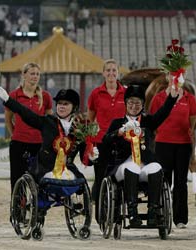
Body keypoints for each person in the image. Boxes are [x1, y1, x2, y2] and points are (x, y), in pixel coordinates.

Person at [102, 84, 181, 226]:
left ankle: (153, 212)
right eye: (131, 102)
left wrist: (173, 96)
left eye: (138, 103)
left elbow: (163, 112)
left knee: (156, 166)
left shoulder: (148, 122)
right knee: (132, 167)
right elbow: (105, 141)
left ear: (143, 105)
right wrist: (119, 132)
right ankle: (133, 213)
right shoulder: (117, 123)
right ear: (125, 104)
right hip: (123, 166)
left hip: (144, 164)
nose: (134, 106)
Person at [0, 87, 98, 181]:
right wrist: (9, 100)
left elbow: (85, 160)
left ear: (74, 107)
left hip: (68, 169)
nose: (61, 106)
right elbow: (26, 113)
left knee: (79, 181)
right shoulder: (47, 122)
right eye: (59, 103)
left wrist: (91, 156)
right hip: (45, 169)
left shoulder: (80, 129)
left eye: (66, 104)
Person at [149, 79, 196, 229]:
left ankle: (180, 218)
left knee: (181, 182)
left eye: (179, 74)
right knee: (164, 180)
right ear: (167, 76)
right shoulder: (158, 98)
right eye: (172, 74)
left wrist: (193, 157)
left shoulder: (190, 99)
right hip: (164, 144)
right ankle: (161, 214)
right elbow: (153, 123)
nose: (175, 78)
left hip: (183, 145)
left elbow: (192, 126)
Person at [87, 59, 126, 223]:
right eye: (108, 70)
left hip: (121, 141)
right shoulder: (96, 94)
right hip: (101, 141)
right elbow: (90, 120)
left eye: (114, 70)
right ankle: (101, 216)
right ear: (103, 73)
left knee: (119, 177)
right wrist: (89, 144)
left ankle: (117, 214)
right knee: (101, 177)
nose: (111, 73)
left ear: (118, 73)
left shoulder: (125, 92)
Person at [4, 63, 52, 194]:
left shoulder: (46, 97)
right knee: (17, 180)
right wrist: (14, 134)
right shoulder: (14, 95)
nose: (35, 76)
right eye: (32, 73)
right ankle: (17, 211)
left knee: (40, 180)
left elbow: (49, 121)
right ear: (24, 75)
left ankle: (39, 211)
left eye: (37, 74)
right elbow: (8, 119)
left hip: (39, 144)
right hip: (19, 143)